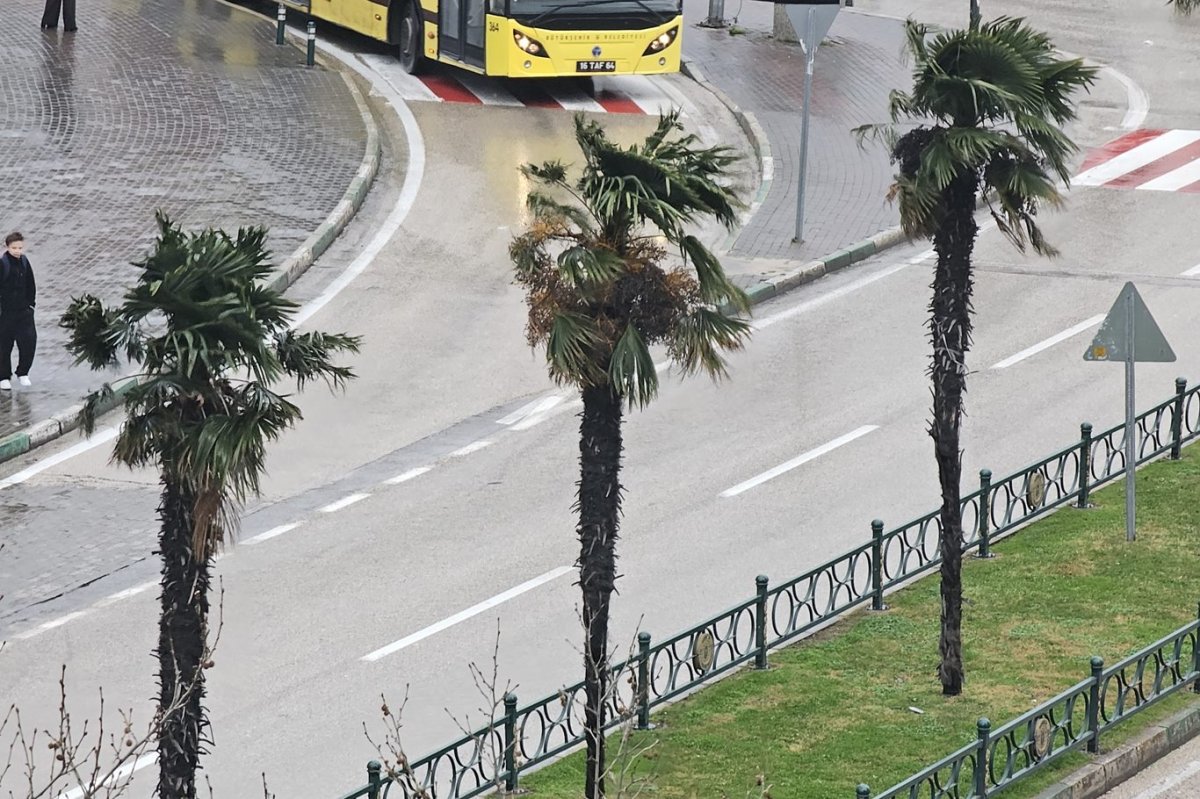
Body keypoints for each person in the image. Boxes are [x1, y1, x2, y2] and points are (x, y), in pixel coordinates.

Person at [0, 233, 38, 391]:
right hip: (6, 313)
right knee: (4, 345)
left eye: (20, 248)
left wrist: (31, 305)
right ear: (7, 247)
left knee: (29, 342)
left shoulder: (24, 262)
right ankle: (3, 376)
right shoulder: (3, 264)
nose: (17, 251)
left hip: (24, 311)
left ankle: (23, 372)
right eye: (14, 248)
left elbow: (31, 284)